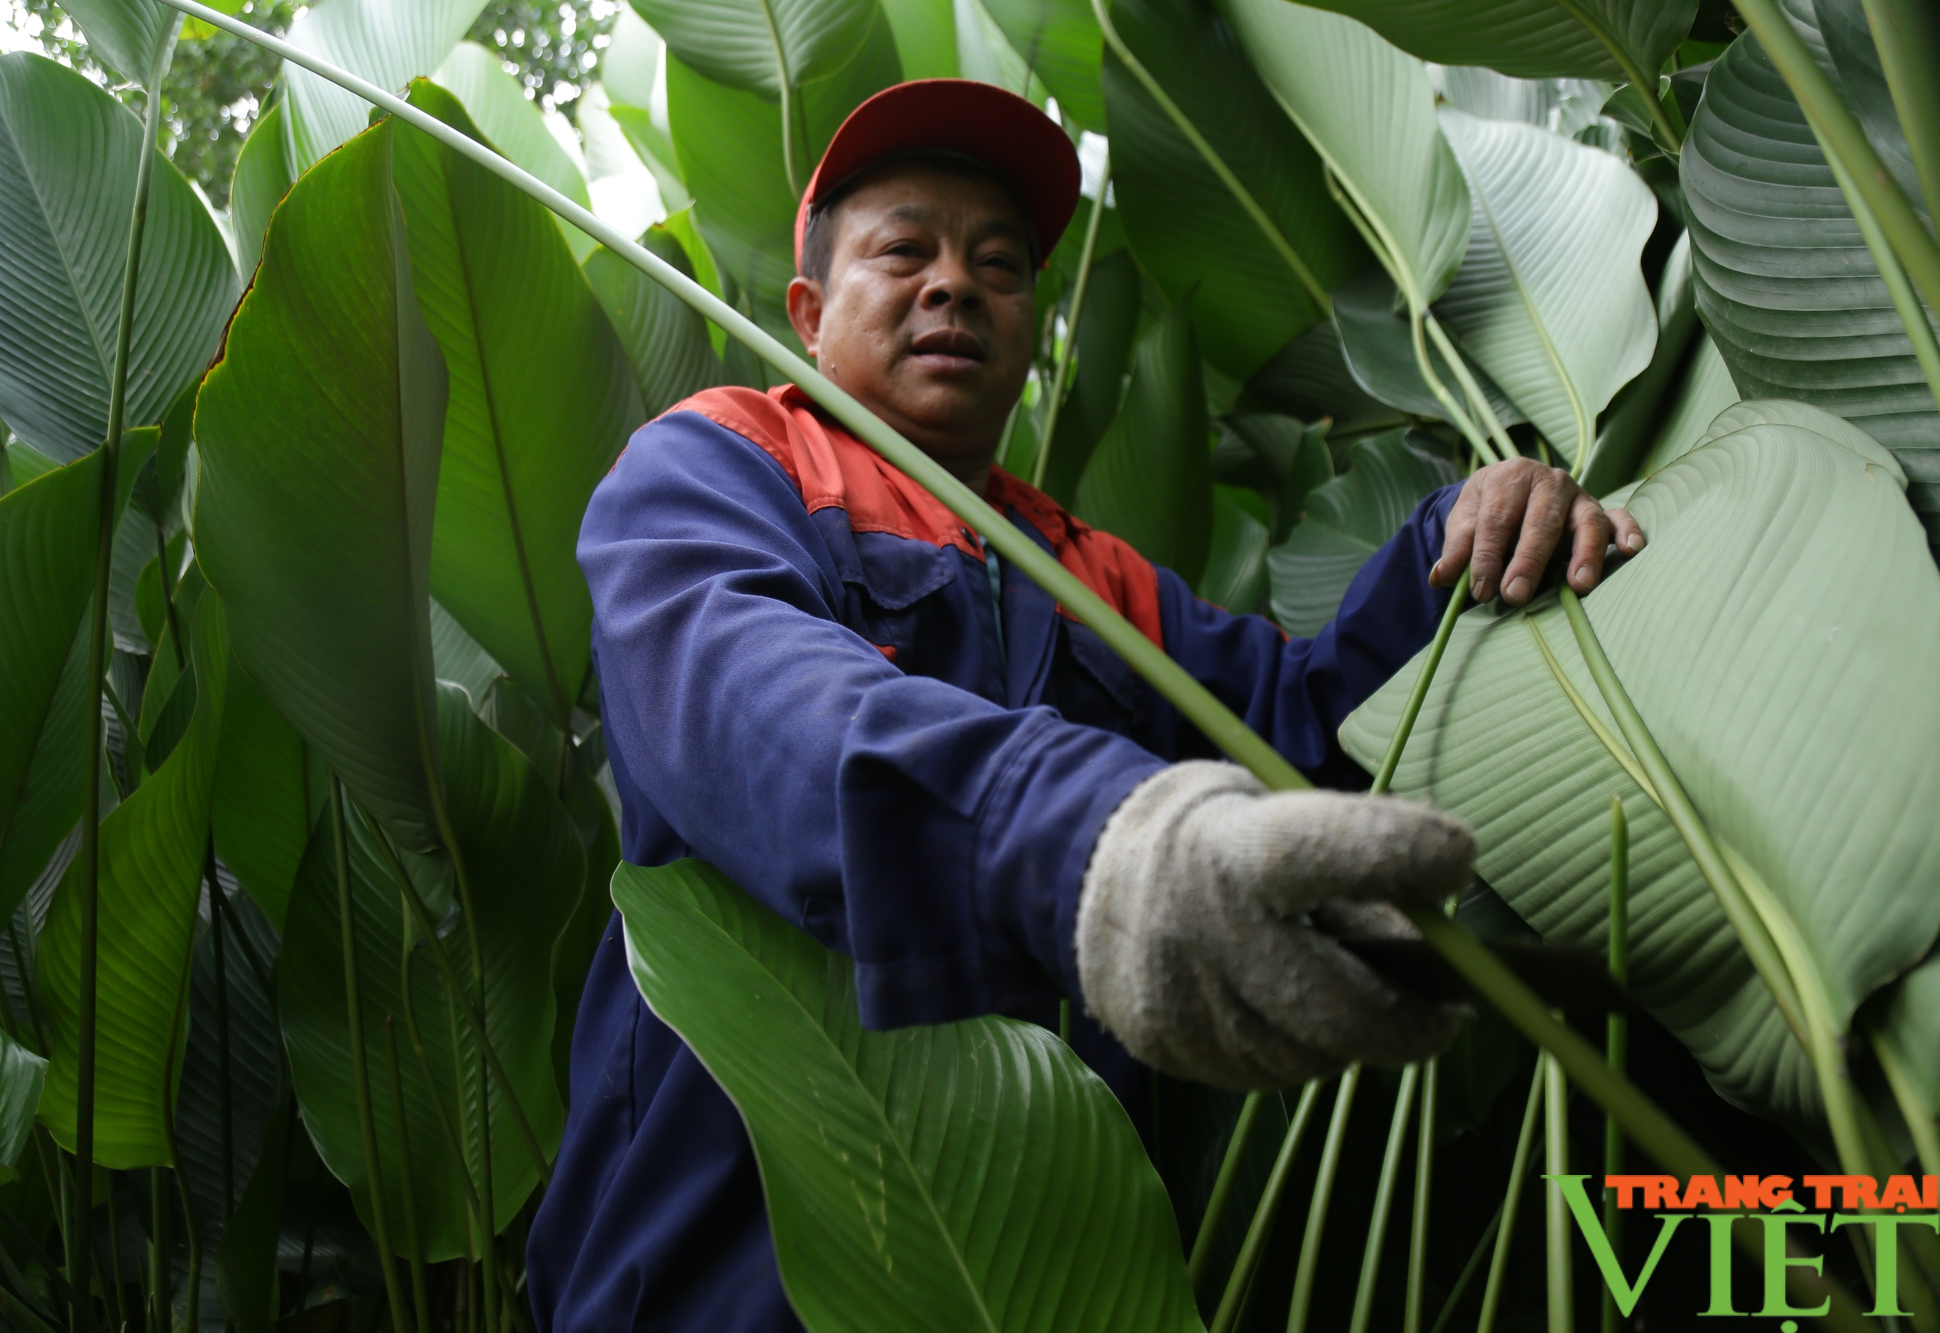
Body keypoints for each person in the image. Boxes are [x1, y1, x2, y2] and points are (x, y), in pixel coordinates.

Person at [527, 79, 1642, 1331]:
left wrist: (1460, 531)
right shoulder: (721, 462)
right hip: (719, 1267)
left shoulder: (1084, 572)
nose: (954, 284)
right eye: (904, 251)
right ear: (808, 309)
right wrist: (1097, 846)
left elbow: (1301, 725)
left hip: (1051, 1265)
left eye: (997, 263)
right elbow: (753, 698)